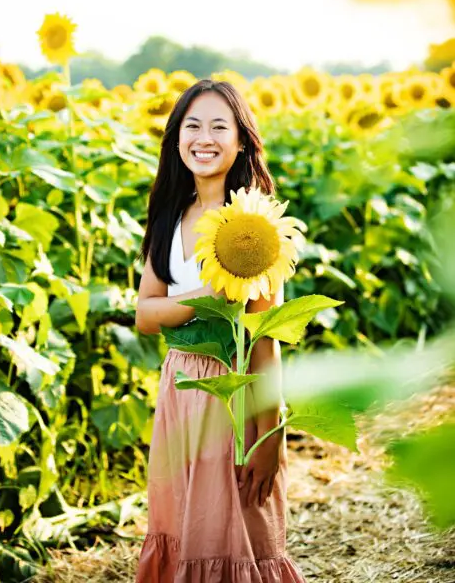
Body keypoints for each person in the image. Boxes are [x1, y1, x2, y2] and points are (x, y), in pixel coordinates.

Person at [134, 79, 306, 582]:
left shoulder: (250, 227)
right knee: (188, 523)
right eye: (191, 126)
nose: (203, 138)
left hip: (237, 397)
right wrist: (206, 300)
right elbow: (144, 315)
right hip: (182, 391)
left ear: (240, 142)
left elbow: (264, 337)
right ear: (176, 139)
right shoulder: (169, 216)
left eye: (217, 126)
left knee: (239, 529)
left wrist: (269, 436)